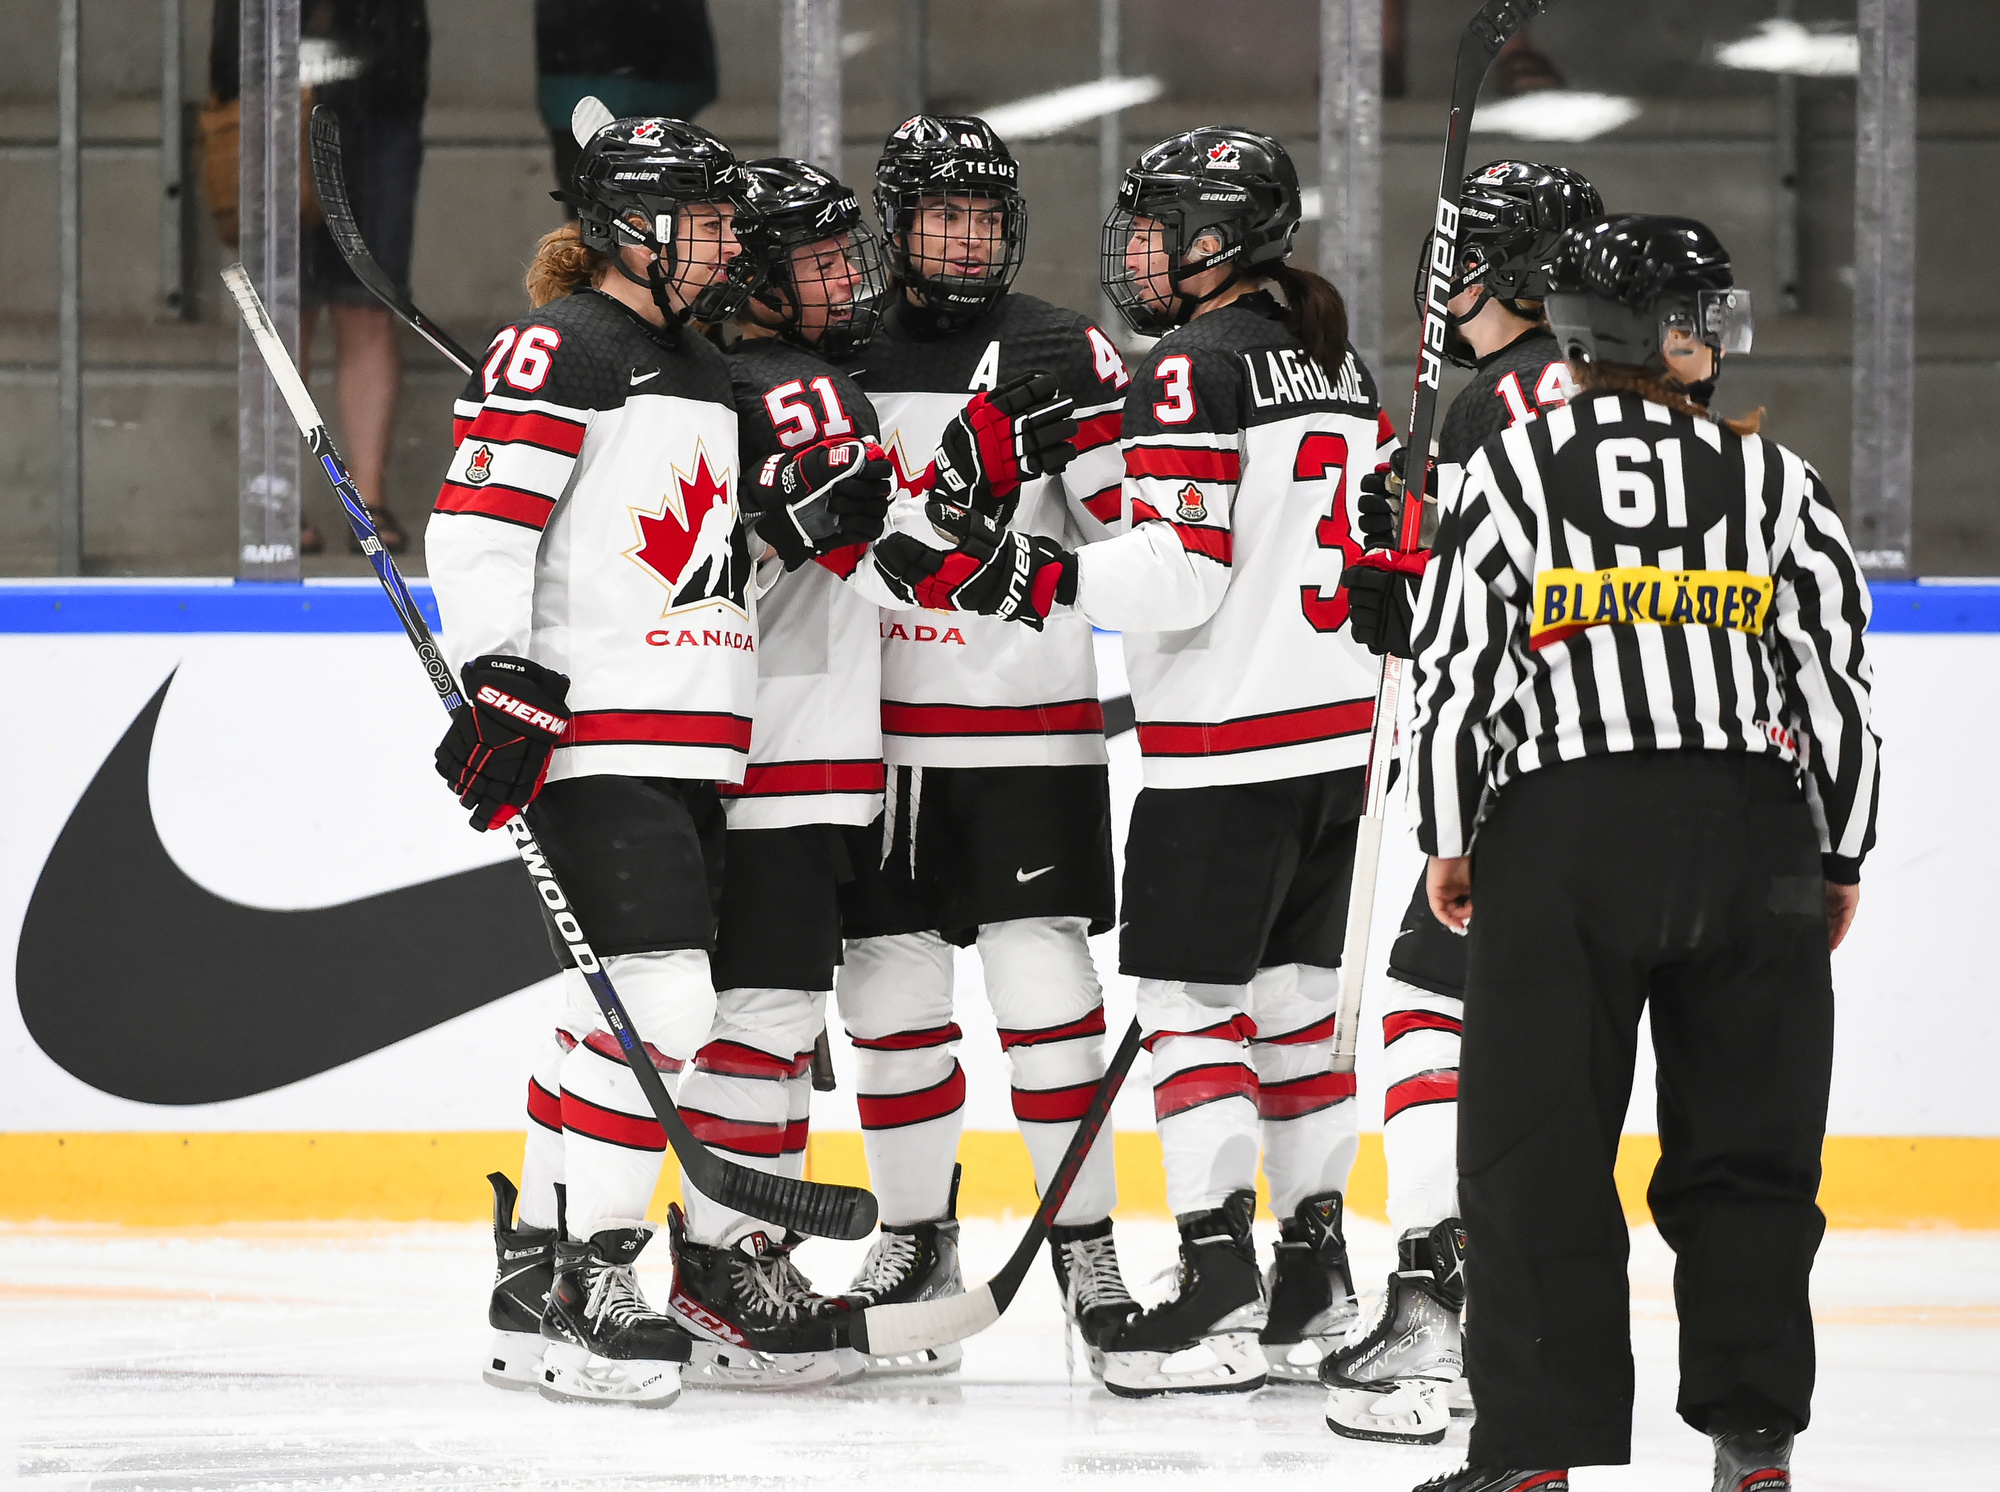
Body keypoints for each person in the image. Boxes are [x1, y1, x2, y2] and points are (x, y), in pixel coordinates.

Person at [876, 125, 1394, 1398]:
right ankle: (1310, 1275)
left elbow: (1171, 572)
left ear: (1215, 240)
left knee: (1185, 1013)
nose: (1141, 254)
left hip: (1226, 746)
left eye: (1160, 229)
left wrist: (1019, 571)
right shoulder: (1339, 360)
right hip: (1345, 739)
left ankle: (1215, 1289)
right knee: (1294, 1013)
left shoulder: (1183, 369)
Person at [1399, 214, 1879, 1492]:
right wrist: (1839, 854)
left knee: (1532, 1153)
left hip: (1559, 840)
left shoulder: (1508, 470)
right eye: (1693, 315)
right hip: (1749, 837)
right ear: (1637, 330)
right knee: (1751, 1149)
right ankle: (1752, 1440)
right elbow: (1833, 682)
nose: (1710, 339)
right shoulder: (1772, 478)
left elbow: (1453, 677)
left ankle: (1532, 1459)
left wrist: (1447, 837)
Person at [446, 113, 754, 1409]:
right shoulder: (561, 345)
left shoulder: (696, 365)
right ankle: (600, 1272)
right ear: (632, 223)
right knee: (662, 1007)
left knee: (604, 1013)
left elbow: (686, 553)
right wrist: (500, 675)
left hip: (695, 731)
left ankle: (535, 1273)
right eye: (707, 217)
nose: (730, 240)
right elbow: (478, 519)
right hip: (602, 726)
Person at [829, 114, 1142, 1380]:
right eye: (940, 213)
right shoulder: (836, 347)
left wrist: (1021, 567)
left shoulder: (1064, 347)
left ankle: (1085, 1245)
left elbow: (1127, 542)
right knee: (890, 998)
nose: (965, 237)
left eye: (983, 213)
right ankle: (916, 1237)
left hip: (1028, 732)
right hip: (878, 741)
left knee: (1047, 999)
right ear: (891, 221)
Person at [1325, 157, 1604, 1447]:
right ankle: (1531, 1316)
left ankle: (1436, 1304)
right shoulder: (1620, 389)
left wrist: (1398, 573)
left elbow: (1465, 609)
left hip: (1509, 759)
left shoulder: (1479, 400)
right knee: (1552, 1045)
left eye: (1462, 256)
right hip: (1639, 763)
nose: (1445, 283)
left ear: (1506, 268)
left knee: (1429, 1012)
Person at [663, 156, 897, 1390]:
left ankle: (719, 1250)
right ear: (749, 272)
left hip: (744, 746)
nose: (843, 277)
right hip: (787, 751)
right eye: (814, 257)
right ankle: (723, 1271)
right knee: (762, 1017)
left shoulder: (708, 381)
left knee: (767, 1021)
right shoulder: (794, 386)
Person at [210, 0, 430, 555]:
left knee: (368, 304)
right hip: (272, 96)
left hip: (376, 95)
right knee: (286, 310)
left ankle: (368, 501)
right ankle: (276, 498)